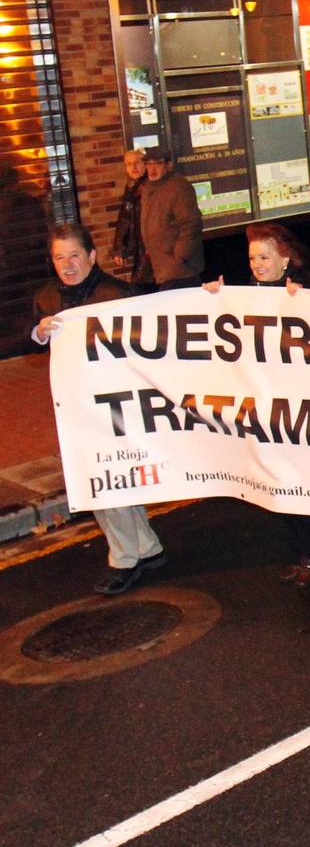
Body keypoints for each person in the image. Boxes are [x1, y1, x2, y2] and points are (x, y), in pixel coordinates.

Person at [33, 223, 169, 595]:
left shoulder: (118, 295)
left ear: (92, 256)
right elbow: (32, 340)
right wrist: (39, 333)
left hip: (115, 404)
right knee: (110, 477)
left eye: (74, 255)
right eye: (59, 257)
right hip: (77, 405)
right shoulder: (46, 297)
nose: (67, 265)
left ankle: (123, 559)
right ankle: (147, 548)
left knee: (106, 479)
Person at [199, 224, 310, 585]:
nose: (257, 264)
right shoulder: (247, 293)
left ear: (285, 259)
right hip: (264, 406)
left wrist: (305, 303)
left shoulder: (302, 291)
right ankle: (302, 553)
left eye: (264, 257)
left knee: (294, 483)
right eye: (252, 257)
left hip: (295, 407)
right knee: (275, 483)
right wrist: (213, 298)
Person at [138, 146, 204, 290]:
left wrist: (180, 255)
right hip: (160, 265)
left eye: (158, 164)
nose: (152, 169)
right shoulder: (147, 188)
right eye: (148, 164)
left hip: (179, 269)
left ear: (168, 165)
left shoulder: (178, 186)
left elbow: (191, 223)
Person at [111, 149, 149, 288]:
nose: (133, 167)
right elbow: (125, 218)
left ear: (144, 164)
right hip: (140, 246)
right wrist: (119, 248)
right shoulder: (131, 188)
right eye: (129, 164)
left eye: (137, 162)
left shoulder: (150, 187)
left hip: (151, 246)